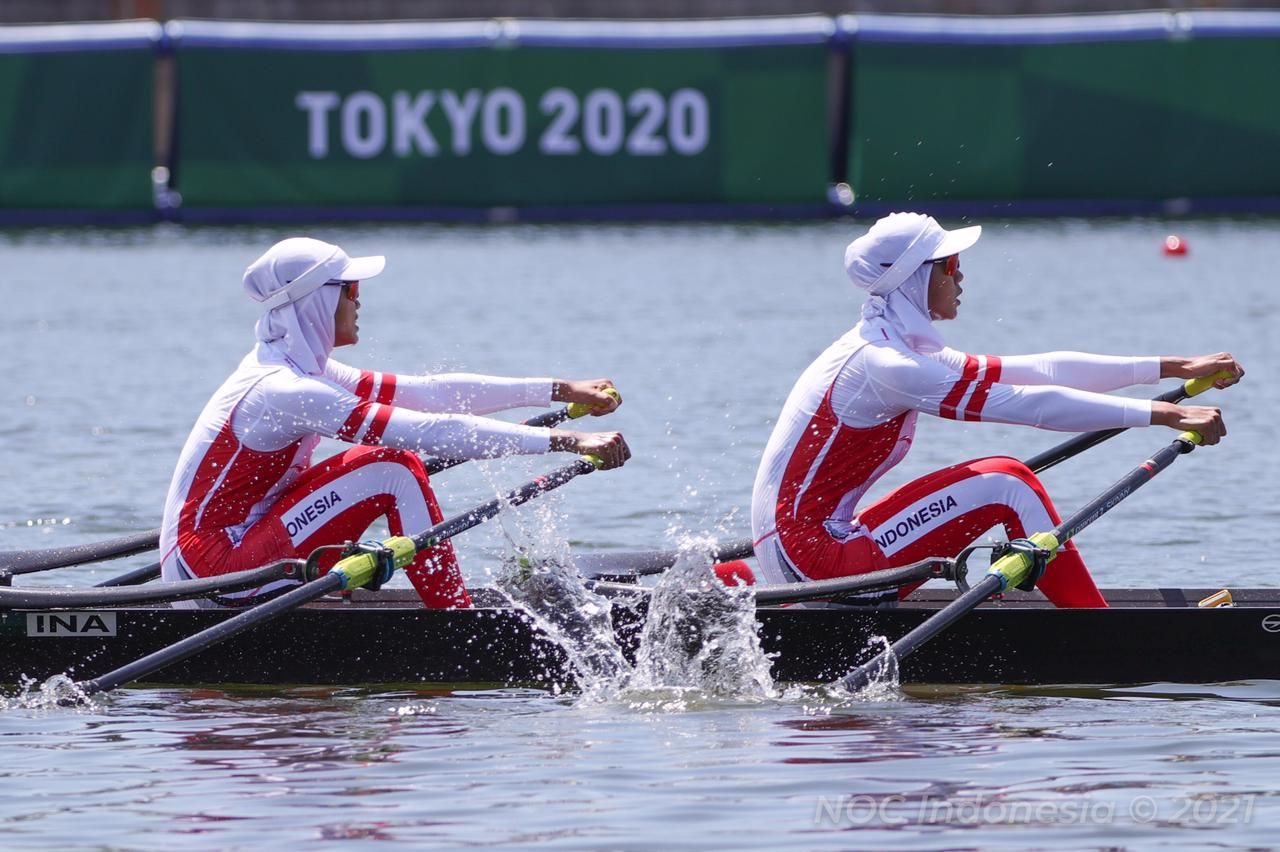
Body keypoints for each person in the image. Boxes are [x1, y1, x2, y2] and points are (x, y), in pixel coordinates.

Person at [750, 212, 1243, 608]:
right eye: (949, 265)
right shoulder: (888, 364)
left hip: (803, 551)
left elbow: (1041, 371)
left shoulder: (897, 346)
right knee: (1006, 482)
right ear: (916, 278)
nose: (960, 274)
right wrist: (1167, 416)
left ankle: (1077, 611)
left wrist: (1175, 366)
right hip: (811, 563)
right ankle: (1095, 627)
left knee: (999, 478)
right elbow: (1030, 405)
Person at [160, 237, 630, 608]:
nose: (360, 301)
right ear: (317, 303)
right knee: (393, 467)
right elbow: (431, 432)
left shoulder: (304, 369)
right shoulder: (285, 390)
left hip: (226, 553)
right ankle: (453, 624)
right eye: (351, 290)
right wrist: (569, 440)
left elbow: (432, 395)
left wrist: (561, 389)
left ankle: (435, 606)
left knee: (382, 463)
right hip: (215, 576)